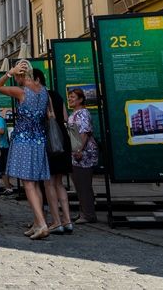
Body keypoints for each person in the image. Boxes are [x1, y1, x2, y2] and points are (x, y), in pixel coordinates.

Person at [0, 59, 51, 240]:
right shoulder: (43, 92)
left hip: (24, 140)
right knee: (35, 182)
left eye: (17, 75)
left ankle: (41, 223)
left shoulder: (21, 92)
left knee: (28, 184)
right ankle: (36, 222)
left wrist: (9, 72)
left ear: (20, 74)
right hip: (39, 140)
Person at [35, 68, 73, 234]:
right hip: (62, 140)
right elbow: (65, 117)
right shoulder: (56, 94)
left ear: (37, 80)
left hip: (49, 141)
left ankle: (56, 221)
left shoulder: (41, 96)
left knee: (48, 183)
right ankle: (67, 220)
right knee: (59, 183)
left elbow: (41, 118)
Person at [67, 88, 98, 223]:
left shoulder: (83, 113)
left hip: (84, 153)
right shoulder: (75, 113)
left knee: (84, 184)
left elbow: (85, 132)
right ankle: (83, 212)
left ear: (80, 99)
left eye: (73, 97)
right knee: (79, 184)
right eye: (69, 97)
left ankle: (89, 214)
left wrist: (80, 149)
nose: (70, 99)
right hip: (76, 152)